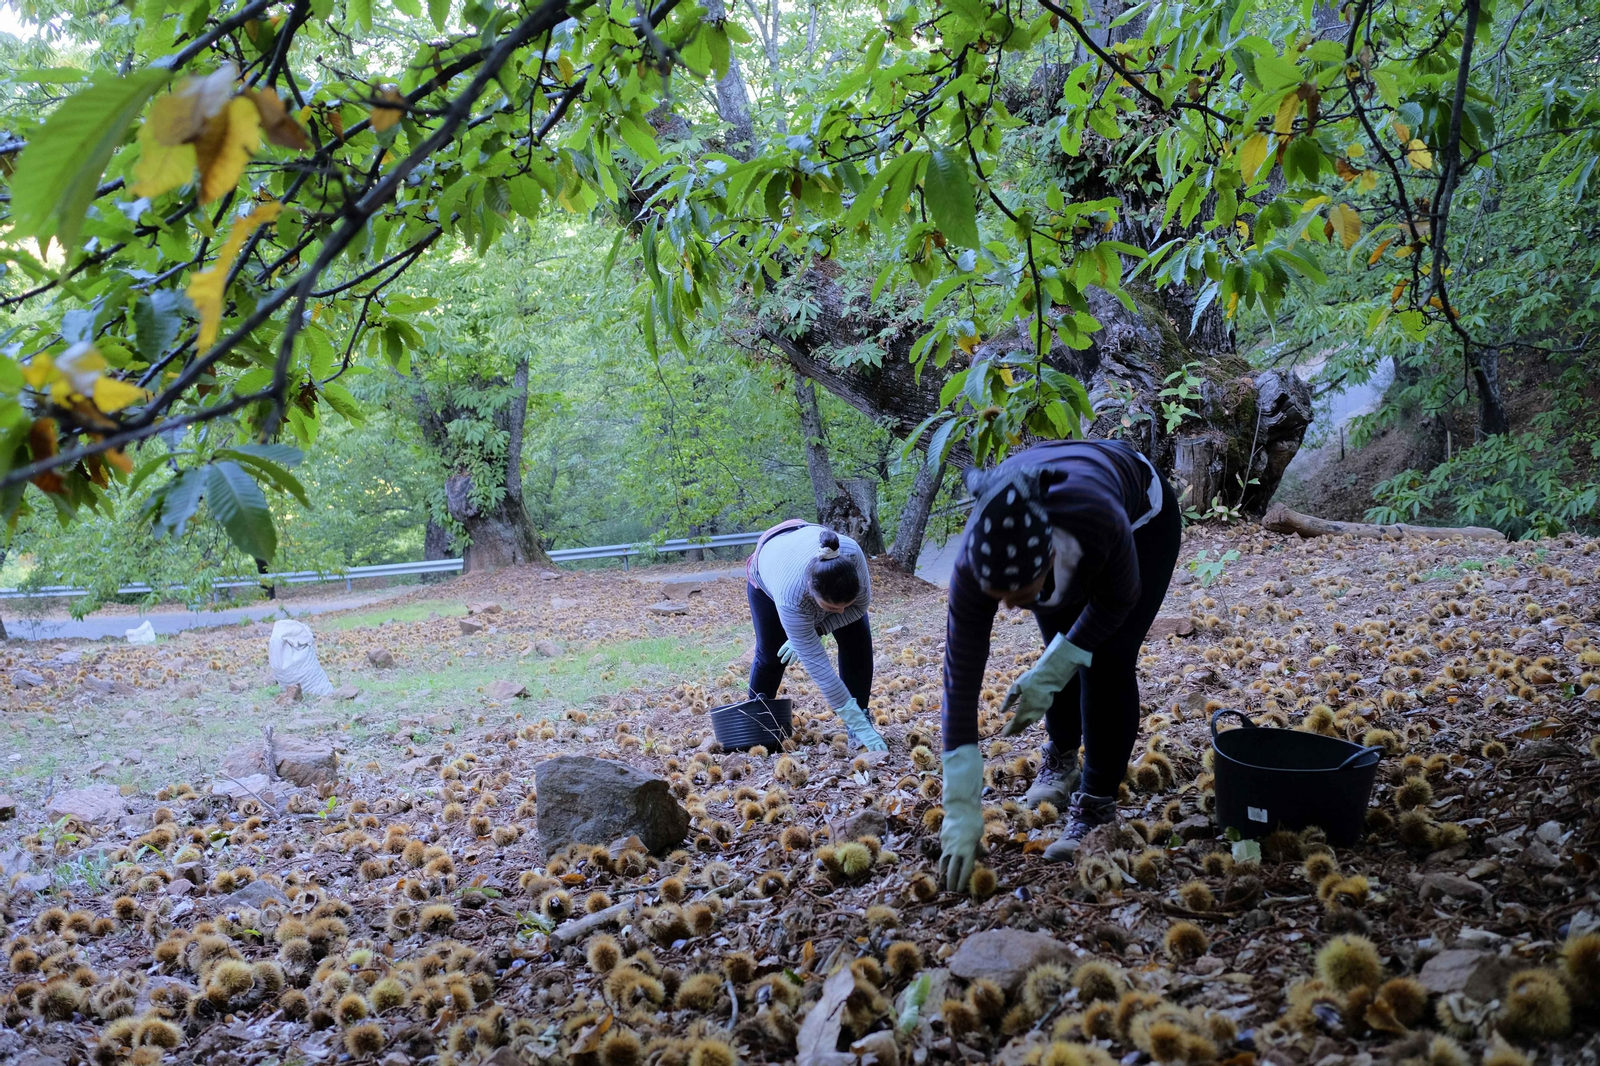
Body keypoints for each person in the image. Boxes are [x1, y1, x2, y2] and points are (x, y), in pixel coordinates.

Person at [936, 439, 1182, 892]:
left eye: (1020, 596)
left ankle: (1097, 803)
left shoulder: (1097, 520)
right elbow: (960, 674)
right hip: (1052, 531)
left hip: (1142, 522)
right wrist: (961, 800)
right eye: (1000, 598)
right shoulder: (976, 560)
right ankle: (1062, 757)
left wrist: (1059, 663)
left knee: (1104, 656)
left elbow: (1117, 601)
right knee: (1057, 642)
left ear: (1051, 556)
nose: (1009, 608)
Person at [746, 521, 887, 751]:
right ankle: (756, 725)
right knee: (772, 654)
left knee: (855, 632)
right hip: (768, 573)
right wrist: (803, 637)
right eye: (832, 609)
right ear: (812, 595)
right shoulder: (792, 597)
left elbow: (858, 608)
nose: (840, 612)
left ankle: (860, 719)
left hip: (804, 540)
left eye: (845, 605)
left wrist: (819, 629)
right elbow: (825, 676)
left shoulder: (851, 553)